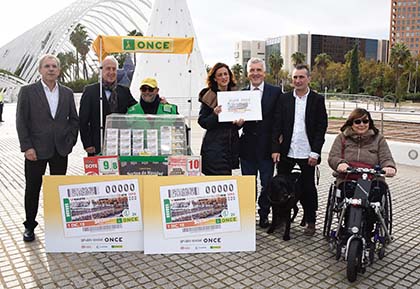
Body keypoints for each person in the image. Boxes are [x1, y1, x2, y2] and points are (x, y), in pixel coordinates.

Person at [16, 54, 79, 242]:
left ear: (59, 70)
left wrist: (70, 141)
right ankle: (29, 225)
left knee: (57, 189)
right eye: (47, 66)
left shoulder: (67, 93)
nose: (51, 69)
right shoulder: (28, 91)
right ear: (40, 70)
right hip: (35, 151)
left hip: (60, 150)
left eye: (54, 66)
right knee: (33, 189)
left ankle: (56, 226)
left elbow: (74, 120)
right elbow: (21, 121)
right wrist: (27, 147)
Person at [272, 64, 328, 236]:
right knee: (281, 188)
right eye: (295, 77)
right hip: (286, 152)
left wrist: (315, 152)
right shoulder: (285, 98)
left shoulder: (317, 100)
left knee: (308, 188)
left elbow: (321, 128)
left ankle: (310, 221)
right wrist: (275, 148)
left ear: (308, 79)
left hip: (307, 153)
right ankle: (281, 219)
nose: (298, 80)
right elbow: (277, 125)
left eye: (301, 77)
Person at [240, 57, 282, 228]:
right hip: (247, 147)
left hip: (267, 148)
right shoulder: (240, 94)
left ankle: (264, 214)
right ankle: (248, 217)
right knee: (248, 185)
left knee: (267, 185)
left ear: (264, 73)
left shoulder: (275, 92)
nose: (255, 73)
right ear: (247, 73)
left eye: (258, 70)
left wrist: (276, 148)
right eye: (252, 70)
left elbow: (278, 122)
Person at [79, 55, 137, 156]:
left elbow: (138, 108)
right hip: (97, 144)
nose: (111, 72)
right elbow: (83, 121)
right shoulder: (90, 91)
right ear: (101, 70)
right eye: (108, 69)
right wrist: (87, 144)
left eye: (114, 69)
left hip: (120, 144)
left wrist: (159, 101)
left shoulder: (124, 91)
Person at [328, 108, 396, 190]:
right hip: (347, 177)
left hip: (372, 178)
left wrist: (388, 166)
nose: (362, 124)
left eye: (365, 121)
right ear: (351, 123)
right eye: (357, 122)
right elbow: (333, 156)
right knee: (348, 191)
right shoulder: (342, 138)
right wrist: (340, 164)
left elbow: (386, 157)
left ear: (369, 123)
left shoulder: (379, 139)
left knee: (378, 191)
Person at [198, 62, 243, 175]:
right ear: (214, 78)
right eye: (220, 75)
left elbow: (238, 122)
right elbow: (202, 122)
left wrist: (240, 124)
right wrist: (214, 114)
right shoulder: (209, 95)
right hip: (214, 147)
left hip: (230, 146)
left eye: (225, 74)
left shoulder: (236, 94)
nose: (224, 77)